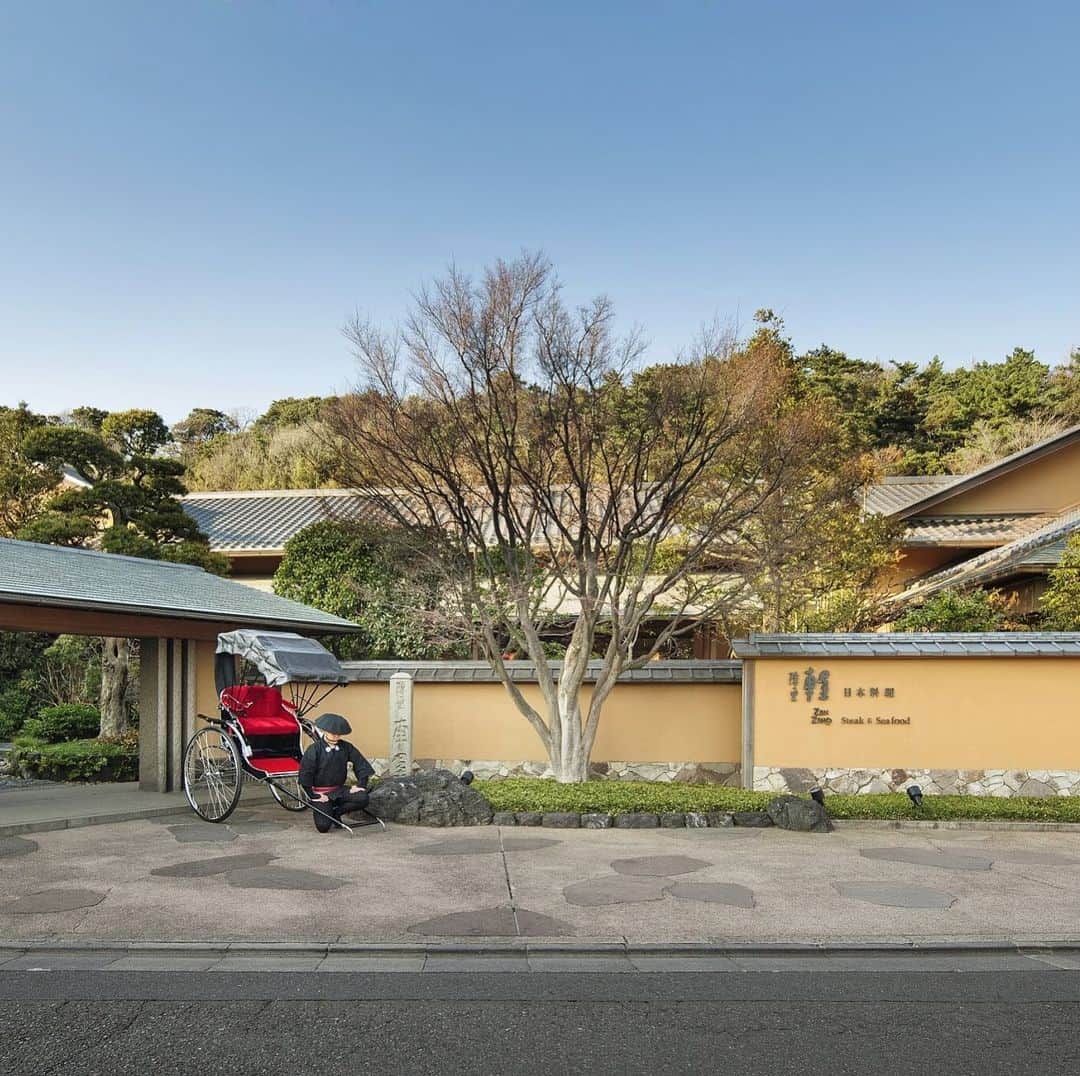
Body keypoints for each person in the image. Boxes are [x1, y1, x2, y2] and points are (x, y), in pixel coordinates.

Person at [298, 713, 375, 832]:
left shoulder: (346, 747)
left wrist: (361, 784)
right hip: (320, 793)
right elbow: (305, 773)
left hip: (339, 790)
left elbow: (361, 764)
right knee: (323, 827)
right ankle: (328, 811)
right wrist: (313, 795)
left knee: (363, 798)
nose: (336, 736)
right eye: (333, 733)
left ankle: (336, 813)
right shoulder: (314, 749)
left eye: (339, 734)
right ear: (325, 731)